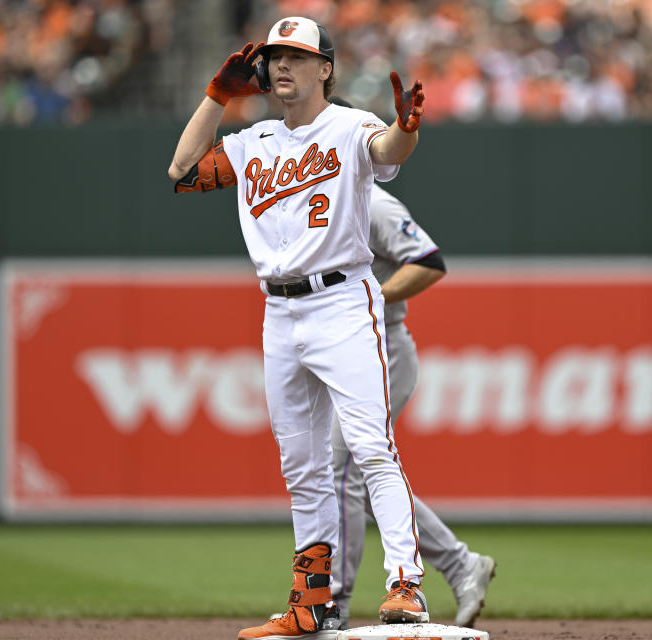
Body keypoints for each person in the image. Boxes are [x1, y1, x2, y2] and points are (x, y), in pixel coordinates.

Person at [168, 16, 426, 640]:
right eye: (276, 56)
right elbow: (181, 169)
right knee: (302, 469)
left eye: (297, 56)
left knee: (370, 447)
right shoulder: (253, 139)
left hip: (342, 301)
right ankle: (311, 604)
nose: (283, 65)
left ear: (325, 69)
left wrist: (407, 126)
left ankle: (405, 586)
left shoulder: (349, 125)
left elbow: (386, 152)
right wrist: (217, 96)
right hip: (280, 312)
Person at [321, 100, 497, 628]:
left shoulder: (374, 203)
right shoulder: (321, 201)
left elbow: (429, 263)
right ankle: (462, 564)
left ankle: (333, 601)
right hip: (340, 353)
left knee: (345, 468)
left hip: (383, 350)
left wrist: (372, 299)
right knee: (361, 476)